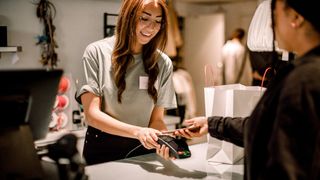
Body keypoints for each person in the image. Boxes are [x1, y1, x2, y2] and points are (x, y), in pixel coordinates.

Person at [175, 0, 320, 179]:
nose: (269, 24)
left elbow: (287, 161)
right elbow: (265, 128)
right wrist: (211, 123)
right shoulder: (301, 74)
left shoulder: (304, 80)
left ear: (296, 17)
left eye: (274, 16)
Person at [76, 0, 177, 165]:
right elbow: (92, 115)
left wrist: (163, 140)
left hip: (143, 151)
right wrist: (137, 132)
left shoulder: (163, 63)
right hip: (102, 150)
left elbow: (157, 120)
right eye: (144, 18)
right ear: (127, 17)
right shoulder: (96, 52)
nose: (151, 28)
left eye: (158, 21)